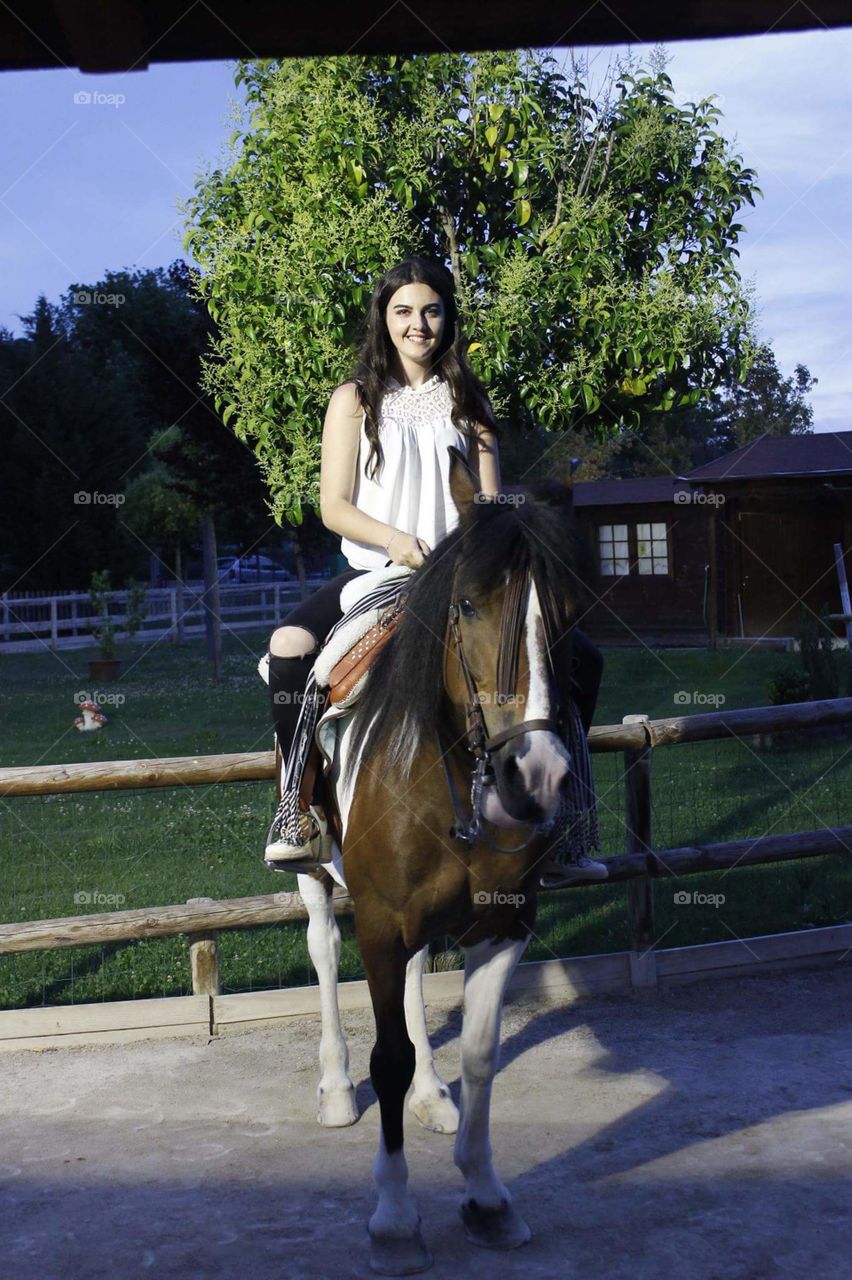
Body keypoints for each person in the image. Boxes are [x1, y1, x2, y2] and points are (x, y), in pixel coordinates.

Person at [262, 255, 607, 880]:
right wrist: (395, 540)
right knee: (288, 648)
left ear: (447, 319)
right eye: (403, 312)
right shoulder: (353, 399)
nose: (417, 324)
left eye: (430, 310)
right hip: (377, 572)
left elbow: (493, 506)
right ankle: (299, 809)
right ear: (383, 319)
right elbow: (333, 506)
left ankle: (568, 817)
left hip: (461, 578)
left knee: (582, 656)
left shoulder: (469, 402)